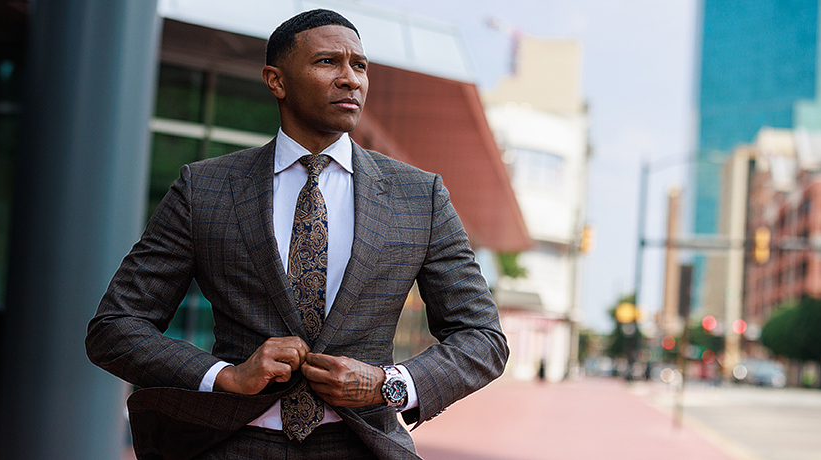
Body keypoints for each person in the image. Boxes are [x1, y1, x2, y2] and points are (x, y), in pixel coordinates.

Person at [85, 8, 508, 460]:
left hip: (363, 446)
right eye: (328, 62)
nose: (351, 79)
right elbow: (115, 328)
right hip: (231, 444)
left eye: (359, 65)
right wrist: (225, 376)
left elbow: (482, 337)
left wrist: (388, 384)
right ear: (276, 80)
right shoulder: (204, 188)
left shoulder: (419, 195)